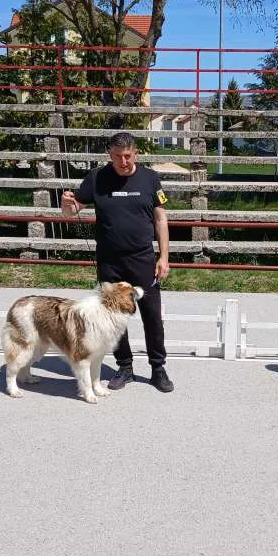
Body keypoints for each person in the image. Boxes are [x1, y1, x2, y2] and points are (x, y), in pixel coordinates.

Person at [60, 132, 173, 393]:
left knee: (152, 316)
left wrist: (164, 256)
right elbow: (71, 211)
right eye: (118, 157)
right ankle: (125, 367)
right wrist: (67, 204)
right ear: (109, 155)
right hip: (110, 261)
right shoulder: (96, 178)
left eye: (128, 156)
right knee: (113, 317)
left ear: (136, 153)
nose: (123, 161)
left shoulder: (150, 179)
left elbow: (161, 219)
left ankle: (158, 368)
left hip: (143, 259)